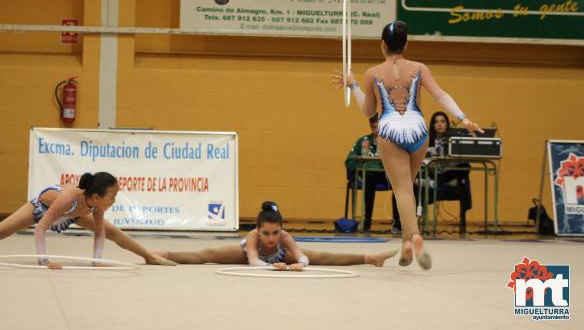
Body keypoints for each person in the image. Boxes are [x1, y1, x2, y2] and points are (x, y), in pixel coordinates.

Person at [332, 20, 483, 270]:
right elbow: (440, 94)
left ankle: (415, 237)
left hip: (390, 130)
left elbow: (368, 110)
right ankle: (406, 244)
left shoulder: (372, 73)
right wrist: (463, 118)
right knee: (407, 190)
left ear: (382, 45)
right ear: (406, 44)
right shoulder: (419, 68)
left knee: (402, 190)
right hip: (418, 130)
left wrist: (354, 85)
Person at [0, 172, 175, 268]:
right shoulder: (68, 197)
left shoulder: (97, 205)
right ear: (97, 197)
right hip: (43, 207)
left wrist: (96, 261)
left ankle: (149, 256)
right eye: (112, 197)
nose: (115, 201)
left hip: (74, 212)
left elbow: (100, 232)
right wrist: (44, 261)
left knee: (113, 232)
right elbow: (41, 228)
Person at [156, 201, 399, 269]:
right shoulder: (252, 238)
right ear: (258, 230)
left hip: (279, 258)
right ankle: (162, 253)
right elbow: (252, 262)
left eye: (275, 233)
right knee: (207, 255)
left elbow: (303, 257)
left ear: (280, 230)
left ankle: (370, 258)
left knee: (323, 256)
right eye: (266, 233)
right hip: (248, 256)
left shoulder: (284, 237)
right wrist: (274, 267)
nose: (271, 237)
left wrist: (299, 265)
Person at [344, 114, 402, 233]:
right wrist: (361, 167)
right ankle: (367, 221)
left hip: (387, 175)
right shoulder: (363, 141)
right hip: (369, 175)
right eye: (374, 127)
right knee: (369, 179)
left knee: (399, 184)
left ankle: (397, 222)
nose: (376, 130)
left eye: (379, 127)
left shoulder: (393, 142)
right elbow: (349, 161)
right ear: (371, 127)